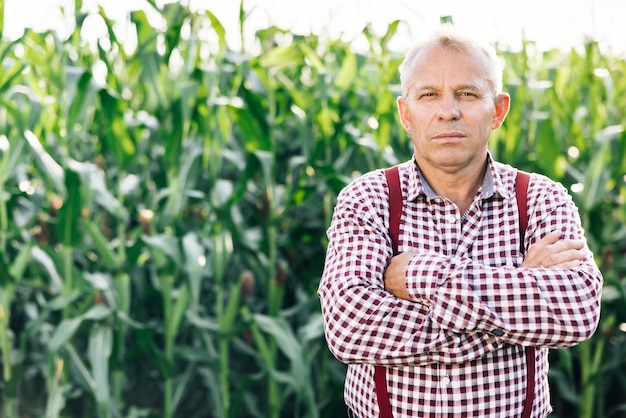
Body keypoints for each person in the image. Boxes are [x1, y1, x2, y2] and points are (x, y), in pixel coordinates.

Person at [317, 26, 603, 418]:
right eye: (428, 94)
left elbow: (577, 309)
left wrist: (419, 274)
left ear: (498, 110)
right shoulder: (369, 198)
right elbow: (350, 327)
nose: (448, 110)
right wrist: (517, 291)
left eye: (467, 94)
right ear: (405, 113)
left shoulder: (541, 198)